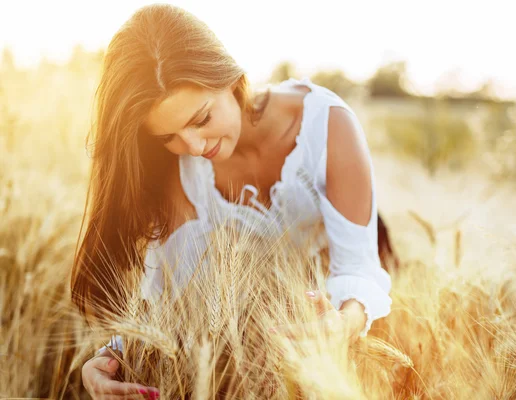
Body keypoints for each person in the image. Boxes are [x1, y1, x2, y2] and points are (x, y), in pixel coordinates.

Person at [71, 4, 397, 398]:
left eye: (201, 119)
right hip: (245, 359)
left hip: (326, 344)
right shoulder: (175, 168)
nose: (191, 146)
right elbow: (169, 293)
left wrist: (339, 326)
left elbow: (359, 270)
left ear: (230, 77)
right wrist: (114, 356)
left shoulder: (327, 125)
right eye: (167, 136)